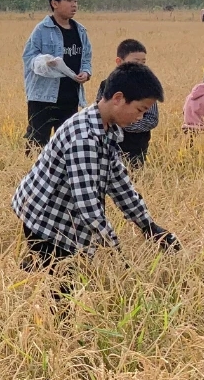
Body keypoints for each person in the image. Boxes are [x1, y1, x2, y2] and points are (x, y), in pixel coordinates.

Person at [12, 62, 180, 268]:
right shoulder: (84, 138)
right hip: (47, 220)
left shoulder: (106, 128)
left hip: (66, 216)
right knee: (62, 289)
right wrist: (117, 254)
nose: (141, 117)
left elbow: (119, 182)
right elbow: (88, 207)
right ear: (118, 98)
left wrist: (149, 226)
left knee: (50, 274)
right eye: (140, 109)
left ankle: (28, 270)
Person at [22, 0, 93, 150]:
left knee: (69, 142)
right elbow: (29, 57)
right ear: (54, 3)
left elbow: (86, 58)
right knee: (37, 140)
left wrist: (86, 72)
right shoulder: (42, 29)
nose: (74, 5)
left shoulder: (80, 30)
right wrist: (44, 62)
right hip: (43, 97)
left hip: (71, 95)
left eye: (75, 0)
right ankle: (33, 172)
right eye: (68, 0)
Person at [94, 38, 158, 167]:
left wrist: (127, 123)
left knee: (134, 178)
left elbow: (152, 119)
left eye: (143, 62)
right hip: (109, 145)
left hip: (136, 146)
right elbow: (98, 112)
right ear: (119, 62)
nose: (140, 66)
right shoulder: (107, 84)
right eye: (135, 62)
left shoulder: (147, 88)